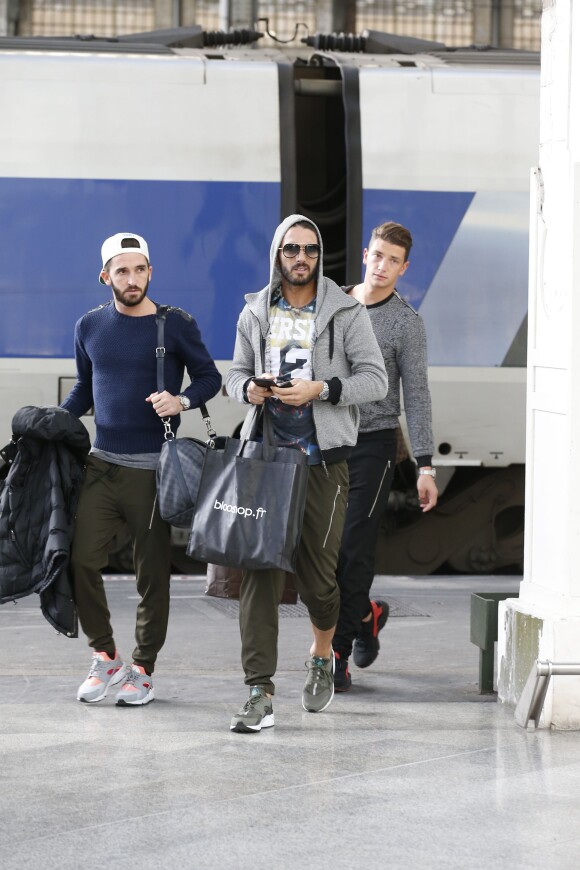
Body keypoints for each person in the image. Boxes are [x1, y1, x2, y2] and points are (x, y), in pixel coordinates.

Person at [225, 214, 388, 733]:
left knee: (319, 582)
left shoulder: (345, 311)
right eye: (292, 249)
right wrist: (248, 388)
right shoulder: (256, 311)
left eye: (310, 250)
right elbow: (233, 374)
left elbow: (376, 381)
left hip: (323, 462)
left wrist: (323, 389)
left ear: (320, 256)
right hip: (266, 461)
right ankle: (259, 690)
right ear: (278, 254)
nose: (301, 258)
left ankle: (321, 653)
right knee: (260, 576)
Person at [62, 232, 221, 706]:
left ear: (150, 272)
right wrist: (56, 421)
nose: (132, 279)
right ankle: (105, 654)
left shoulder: (176, 324)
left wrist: (182, 400)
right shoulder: (89, 326)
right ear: (105, 276)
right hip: (102, 464)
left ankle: (143, 668)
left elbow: (209, 377)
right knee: (79, 561)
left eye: (139, 270)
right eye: (122, 271)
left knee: (151, 576)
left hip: (154, 470)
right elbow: (85, 388)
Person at [333, 221, 438, 691]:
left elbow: (416, 396)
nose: (382, 266)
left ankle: (335, 656)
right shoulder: (331, 303)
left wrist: (425, 465)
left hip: (373, 444)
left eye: (393, 261)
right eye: (377, 255)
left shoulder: (406, 324)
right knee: (314, 551)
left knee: (352, 549)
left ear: (404, 268)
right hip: (323, 438)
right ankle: (366, 615)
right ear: (365, 255)